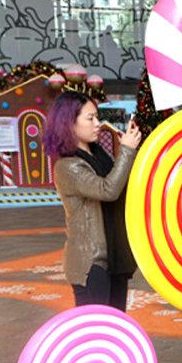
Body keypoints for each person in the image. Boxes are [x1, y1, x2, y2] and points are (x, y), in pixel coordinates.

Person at [43, 91, 142, 311]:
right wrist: (126, 150)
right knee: (97, 326)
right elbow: (108, 190)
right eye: (90, 118)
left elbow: (121, 183)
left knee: (115, 323)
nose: (98, 124)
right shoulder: (68, 166)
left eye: (97, 117)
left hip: (114, 257)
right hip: (91, 263)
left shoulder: (99, 154)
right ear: (69, 123)